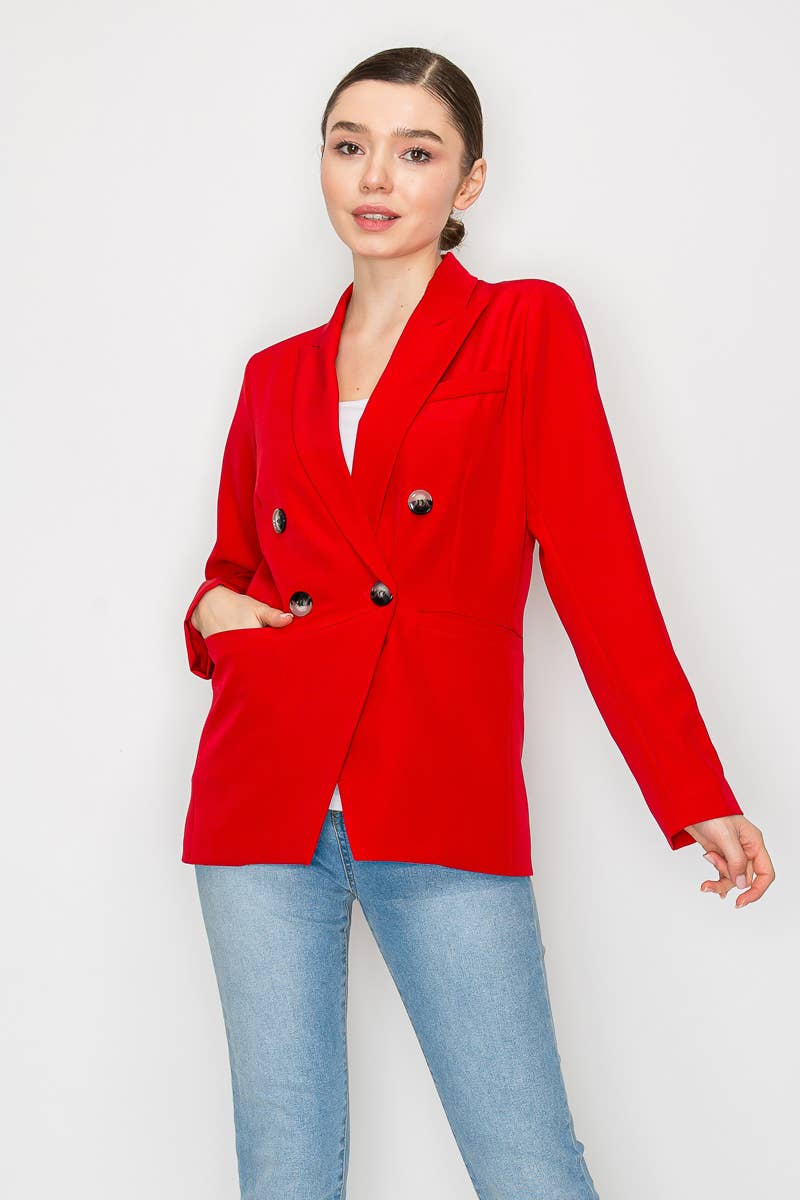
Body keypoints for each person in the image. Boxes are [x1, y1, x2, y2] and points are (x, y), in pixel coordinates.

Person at [182, 46, 774, 1200]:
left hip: (433, 785)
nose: (376, 176)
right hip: (262, 801)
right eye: (349, 145)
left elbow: (600, 575)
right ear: (320, 162)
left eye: (415, 152)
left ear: (468, 182)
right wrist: (208, 612)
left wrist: (690, 789)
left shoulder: (520, 327)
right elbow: (236, 570)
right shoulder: (272, 375)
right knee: (281, 1167)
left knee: (525, 1162)